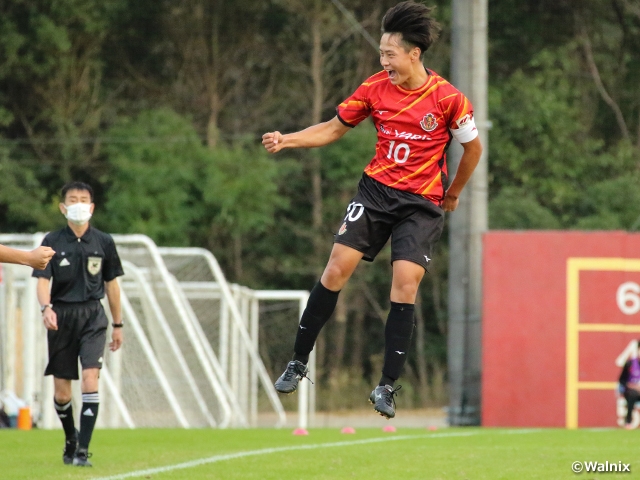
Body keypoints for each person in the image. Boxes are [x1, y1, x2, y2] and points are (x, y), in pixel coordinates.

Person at [262, 1, 482, 419]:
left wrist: (453, 192)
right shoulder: (374, 88)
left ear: (414, 54)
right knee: (335, 269)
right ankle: (297, 362)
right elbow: (332, 129)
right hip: (375, 194)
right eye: (381, 53)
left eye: (389, 54)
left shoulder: (449, 99)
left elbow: (473, 149)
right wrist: (287, 139)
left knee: (404, 284)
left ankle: (386, 386)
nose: (383, 62)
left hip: (421, 204)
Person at [32, 181, 124, 466]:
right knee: (62, 392)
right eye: (73, 199)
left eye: (84, 199)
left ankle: (83, 450)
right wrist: (46, 308)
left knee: (90, 378)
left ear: (92, 207)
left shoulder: (104, 242)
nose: (79, 204)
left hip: (93, 316)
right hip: (61, 317)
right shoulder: (52, 240)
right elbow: (42, 281)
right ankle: (70, 438)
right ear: (63, 207)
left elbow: (112, 285)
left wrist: (118, 324)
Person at [616, 339, 640, 429]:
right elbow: (622, 380)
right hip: (631, 391)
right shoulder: (630, 364)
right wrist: (633, 386)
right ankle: (628, 421)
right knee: (632, 395)